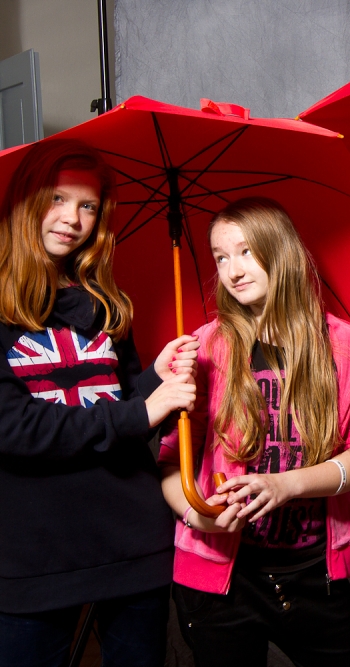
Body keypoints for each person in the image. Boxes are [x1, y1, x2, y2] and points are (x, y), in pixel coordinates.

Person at [0, 139, 198, 667]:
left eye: (88, 205)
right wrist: (139, 411)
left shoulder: (106, 303)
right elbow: (13, 428)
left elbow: (126, 413)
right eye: (58, 198)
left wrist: (155, 379)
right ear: (26, 199)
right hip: (33, 554)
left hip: (133, 540)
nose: (73, 219)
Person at [158, 198, 350, 667]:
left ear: (280, 251)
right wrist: (195, 516)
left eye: (246, 251)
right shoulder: (203, 347)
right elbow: (171, 463)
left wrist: (285, 484)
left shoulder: (346, 346)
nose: (233, 271)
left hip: (312, 572)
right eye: (221, 257)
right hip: (220, 577)